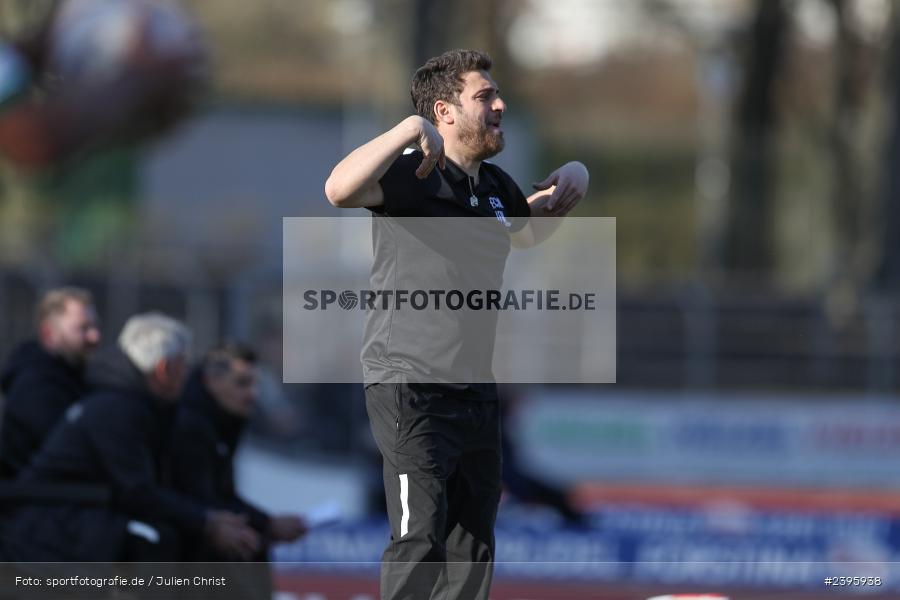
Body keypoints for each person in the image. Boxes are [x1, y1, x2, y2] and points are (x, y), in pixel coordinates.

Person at [324, 49, 589, 600]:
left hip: (474, 389)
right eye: (484, 96)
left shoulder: (493, 186)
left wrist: (572, 182)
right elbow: (339, 190)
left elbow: (523, 229)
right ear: (444, 111)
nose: (500, 104)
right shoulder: (413, 174)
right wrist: (406, 129)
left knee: (475, 547)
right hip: (409, 385)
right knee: (419, 537)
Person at [0, 313, 260, 562]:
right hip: (51, 519)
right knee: (152, 539)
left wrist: (209, 519)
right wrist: (206, 521)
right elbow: (136, 491)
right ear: (164, 369)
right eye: (183, 364)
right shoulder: (119, 409)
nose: (187, 374)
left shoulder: (142, 404)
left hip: (81, 512)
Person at [170, 341, 307, 561]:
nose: (252, 394)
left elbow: (222, 495)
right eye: (242, 383)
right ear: (211, 381)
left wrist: (266, 524)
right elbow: (201, 499)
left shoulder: (224, 422)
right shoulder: (190, 426)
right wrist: (267, 524)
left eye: (255, 384)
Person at [0, 286, 100, 478]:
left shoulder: (80, 379)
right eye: (83, 328)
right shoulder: (34, 386)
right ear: (49, 334)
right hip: (38, 501)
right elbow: (68, 452)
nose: (94, 336)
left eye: (95, 326)